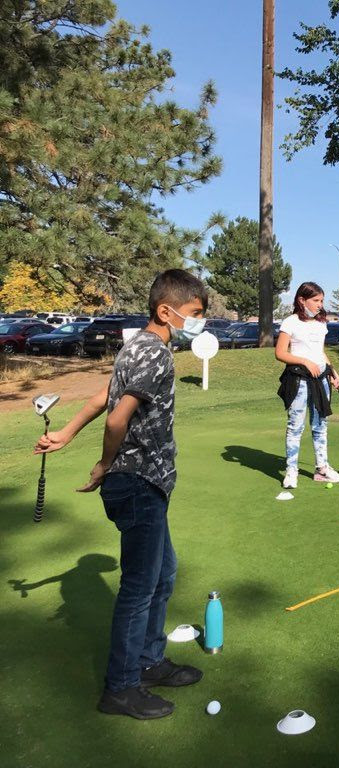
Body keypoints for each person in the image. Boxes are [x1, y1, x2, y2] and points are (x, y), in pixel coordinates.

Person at [32, 269, 209, 719]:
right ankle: (121, 687)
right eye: (193, 314)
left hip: (146, 482)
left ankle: (149, 662)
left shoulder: (137, 347)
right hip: (137, 482)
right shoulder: (156, 355)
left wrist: (65, 434)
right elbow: (116, 419)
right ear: (165, 311)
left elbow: (100, 398)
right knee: (139, 587)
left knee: (164, 573)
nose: (197, 323)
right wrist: (104, 464)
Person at [276, 282, 339, 489]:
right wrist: (305, 362)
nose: (319, 305)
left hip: (321, 379)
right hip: (299, 380)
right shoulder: (290, 322)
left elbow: (320, 352)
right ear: (301, 300)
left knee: (320, 425)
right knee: (295, 426)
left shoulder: (321, 323)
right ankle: (291, 471)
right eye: (315, 300)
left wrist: (332, 371)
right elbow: (280, 353)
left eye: (321, 301)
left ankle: (322, 469)